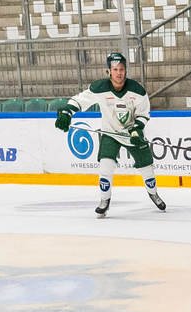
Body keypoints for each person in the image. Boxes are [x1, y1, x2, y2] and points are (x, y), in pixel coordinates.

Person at [57, 52, 161, 217]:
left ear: (125, 71)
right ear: (109, 71)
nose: (119, 73)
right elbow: (79, 100)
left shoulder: (137, 90)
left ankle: (153, 193)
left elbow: (143, 114)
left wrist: (136, 129)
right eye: (115, 69)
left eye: (121, 69)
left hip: (132, 134)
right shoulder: (100, 88)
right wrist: (66, 113)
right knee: (105, 166)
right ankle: (104, 201)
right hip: (110, 133)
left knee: (146, 167)